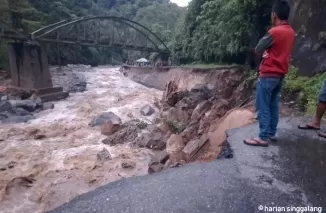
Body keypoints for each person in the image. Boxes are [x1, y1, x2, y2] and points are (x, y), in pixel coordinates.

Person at [244, 0, 295, 147]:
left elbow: (258, 48)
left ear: (274, 15)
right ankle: (271, 132)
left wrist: (264, 51)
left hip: (268, 73)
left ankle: (262, 137)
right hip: (280, 74)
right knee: (273, 104)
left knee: (263, 105)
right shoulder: (291, 32)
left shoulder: (274, 32)